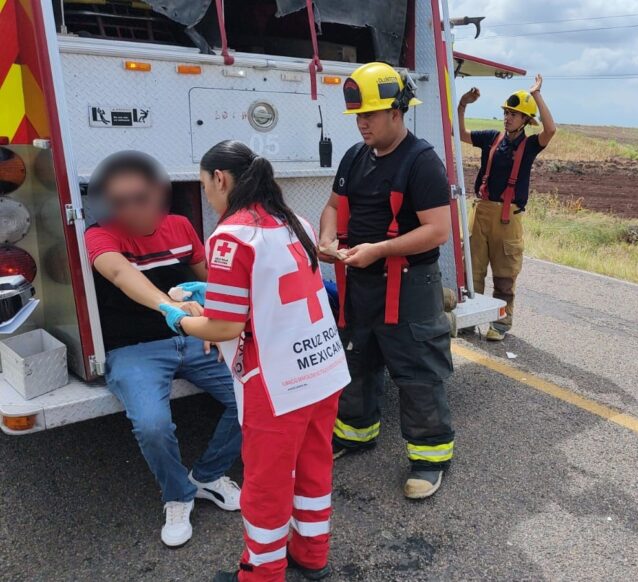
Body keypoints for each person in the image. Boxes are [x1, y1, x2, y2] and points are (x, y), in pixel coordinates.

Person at [158, 141, 349, 581]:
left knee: (265, 483)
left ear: (220, 179)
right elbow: (274, 289)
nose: (206, 196)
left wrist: (179, 320)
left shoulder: (229, 235)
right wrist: (216, 295)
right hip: (323, 367)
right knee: (314, 470)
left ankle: (261, 574)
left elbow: (224, 329)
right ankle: (313, 556)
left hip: (277, 383)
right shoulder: (293, 219)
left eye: (205, 186)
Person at [83, 151, 241, 548]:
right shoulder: (99, 235)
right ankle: (177, 496)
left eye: (142, 197)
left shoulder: (181, 227)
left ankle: (206, 476)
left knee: (252, 393)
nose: (133, 209)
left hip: (191, 337)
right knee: (153, 425)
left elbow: (214, 280)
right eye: (121, 202)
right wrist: (172, 309)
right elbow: (121, 274)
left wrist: (214, 321)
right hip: (134, 348)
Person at [318, 62, 454, 500]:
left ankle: (430, 458)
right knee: (356, 361)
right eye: (358, 116)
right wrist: (326, 237)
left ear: (398, 112)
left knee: (417, 372)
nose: (362, 124)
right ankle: (355, 434)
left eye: (370, 115)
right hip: (363, 285)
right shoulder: (356, 156)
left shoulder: (422, 162)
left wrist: (378, 250)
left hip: (409, 286)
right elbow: (333, 207)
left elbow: (437, 231)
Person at [458, 74, 557, 341]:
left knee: (504, 275)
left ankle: (500, 324)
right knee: (472, 271)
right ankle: (469, 318)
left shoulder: (530, 145)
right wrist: (462, 105)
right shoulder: (492, 137)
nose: (507, 117)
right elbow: (463, 134)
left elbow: (550, 130)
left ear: (525, 120)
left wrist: (536, 95)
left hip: (507, 217)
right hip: (480, 213)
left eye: (513, 114)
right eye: (506, 113)